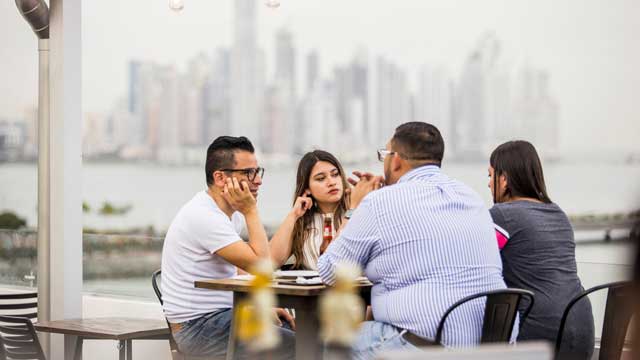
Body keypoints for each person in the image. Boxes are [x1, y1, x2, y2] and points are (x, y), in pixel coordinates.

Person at [318, 122, 509, 359]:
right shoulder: (471, 197)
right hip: (486, 349)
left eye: (384, 155)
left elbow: (329, 271)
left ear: (396, 160)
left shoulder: (379, 203)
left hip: (422, 349)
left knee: (330, 342)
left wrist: (354, 207)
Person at [160, 136, 294, 359]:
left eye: (258, 171)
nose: (258, 180)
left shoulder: (227, 215)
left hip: (222, 317)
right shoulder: (204, 216)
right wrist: (251, 210)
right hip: (197, 328)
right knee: (298, 345)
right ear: (220, 178)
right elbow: (262, 267)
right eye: (249, 173)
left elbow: (241, 269)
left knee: (290, 330)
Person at [488, 140, 594, 359]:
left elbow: (477, 259)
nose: (488, 184)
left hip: (541, 335)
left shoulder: (502, 215)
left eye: (490, 176)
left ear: (504, 179)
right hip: (583, 327)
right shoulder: (558, 214)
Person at [270, 150, 350, 270]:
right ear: (307, 188)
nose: (331, 182)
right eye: (321, 178)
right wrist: (293, 215)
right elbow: (271, 261)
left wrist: (352, 210)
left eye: (335, 174)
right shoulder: (302, 223)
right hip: (312, 288)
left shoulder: (357, 213)